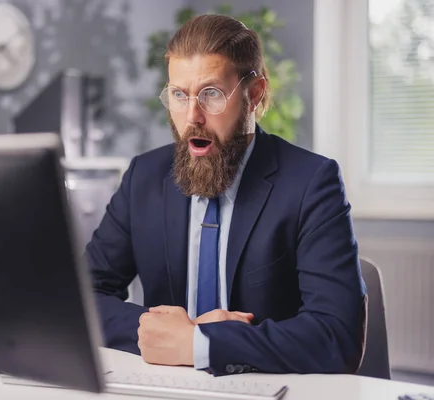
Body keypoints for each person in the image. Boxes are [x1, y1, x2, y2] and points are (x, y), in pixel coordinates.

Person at [86, 14, 366, 376]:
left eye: (211, 94)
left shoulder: (312, 183)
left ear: (255, 94)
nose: (192, 116)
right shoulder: (144, 177)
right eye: (178, 95)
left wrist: (202, 343)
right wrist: (162, 334)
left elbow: (337, 338)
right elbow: (82, 297)